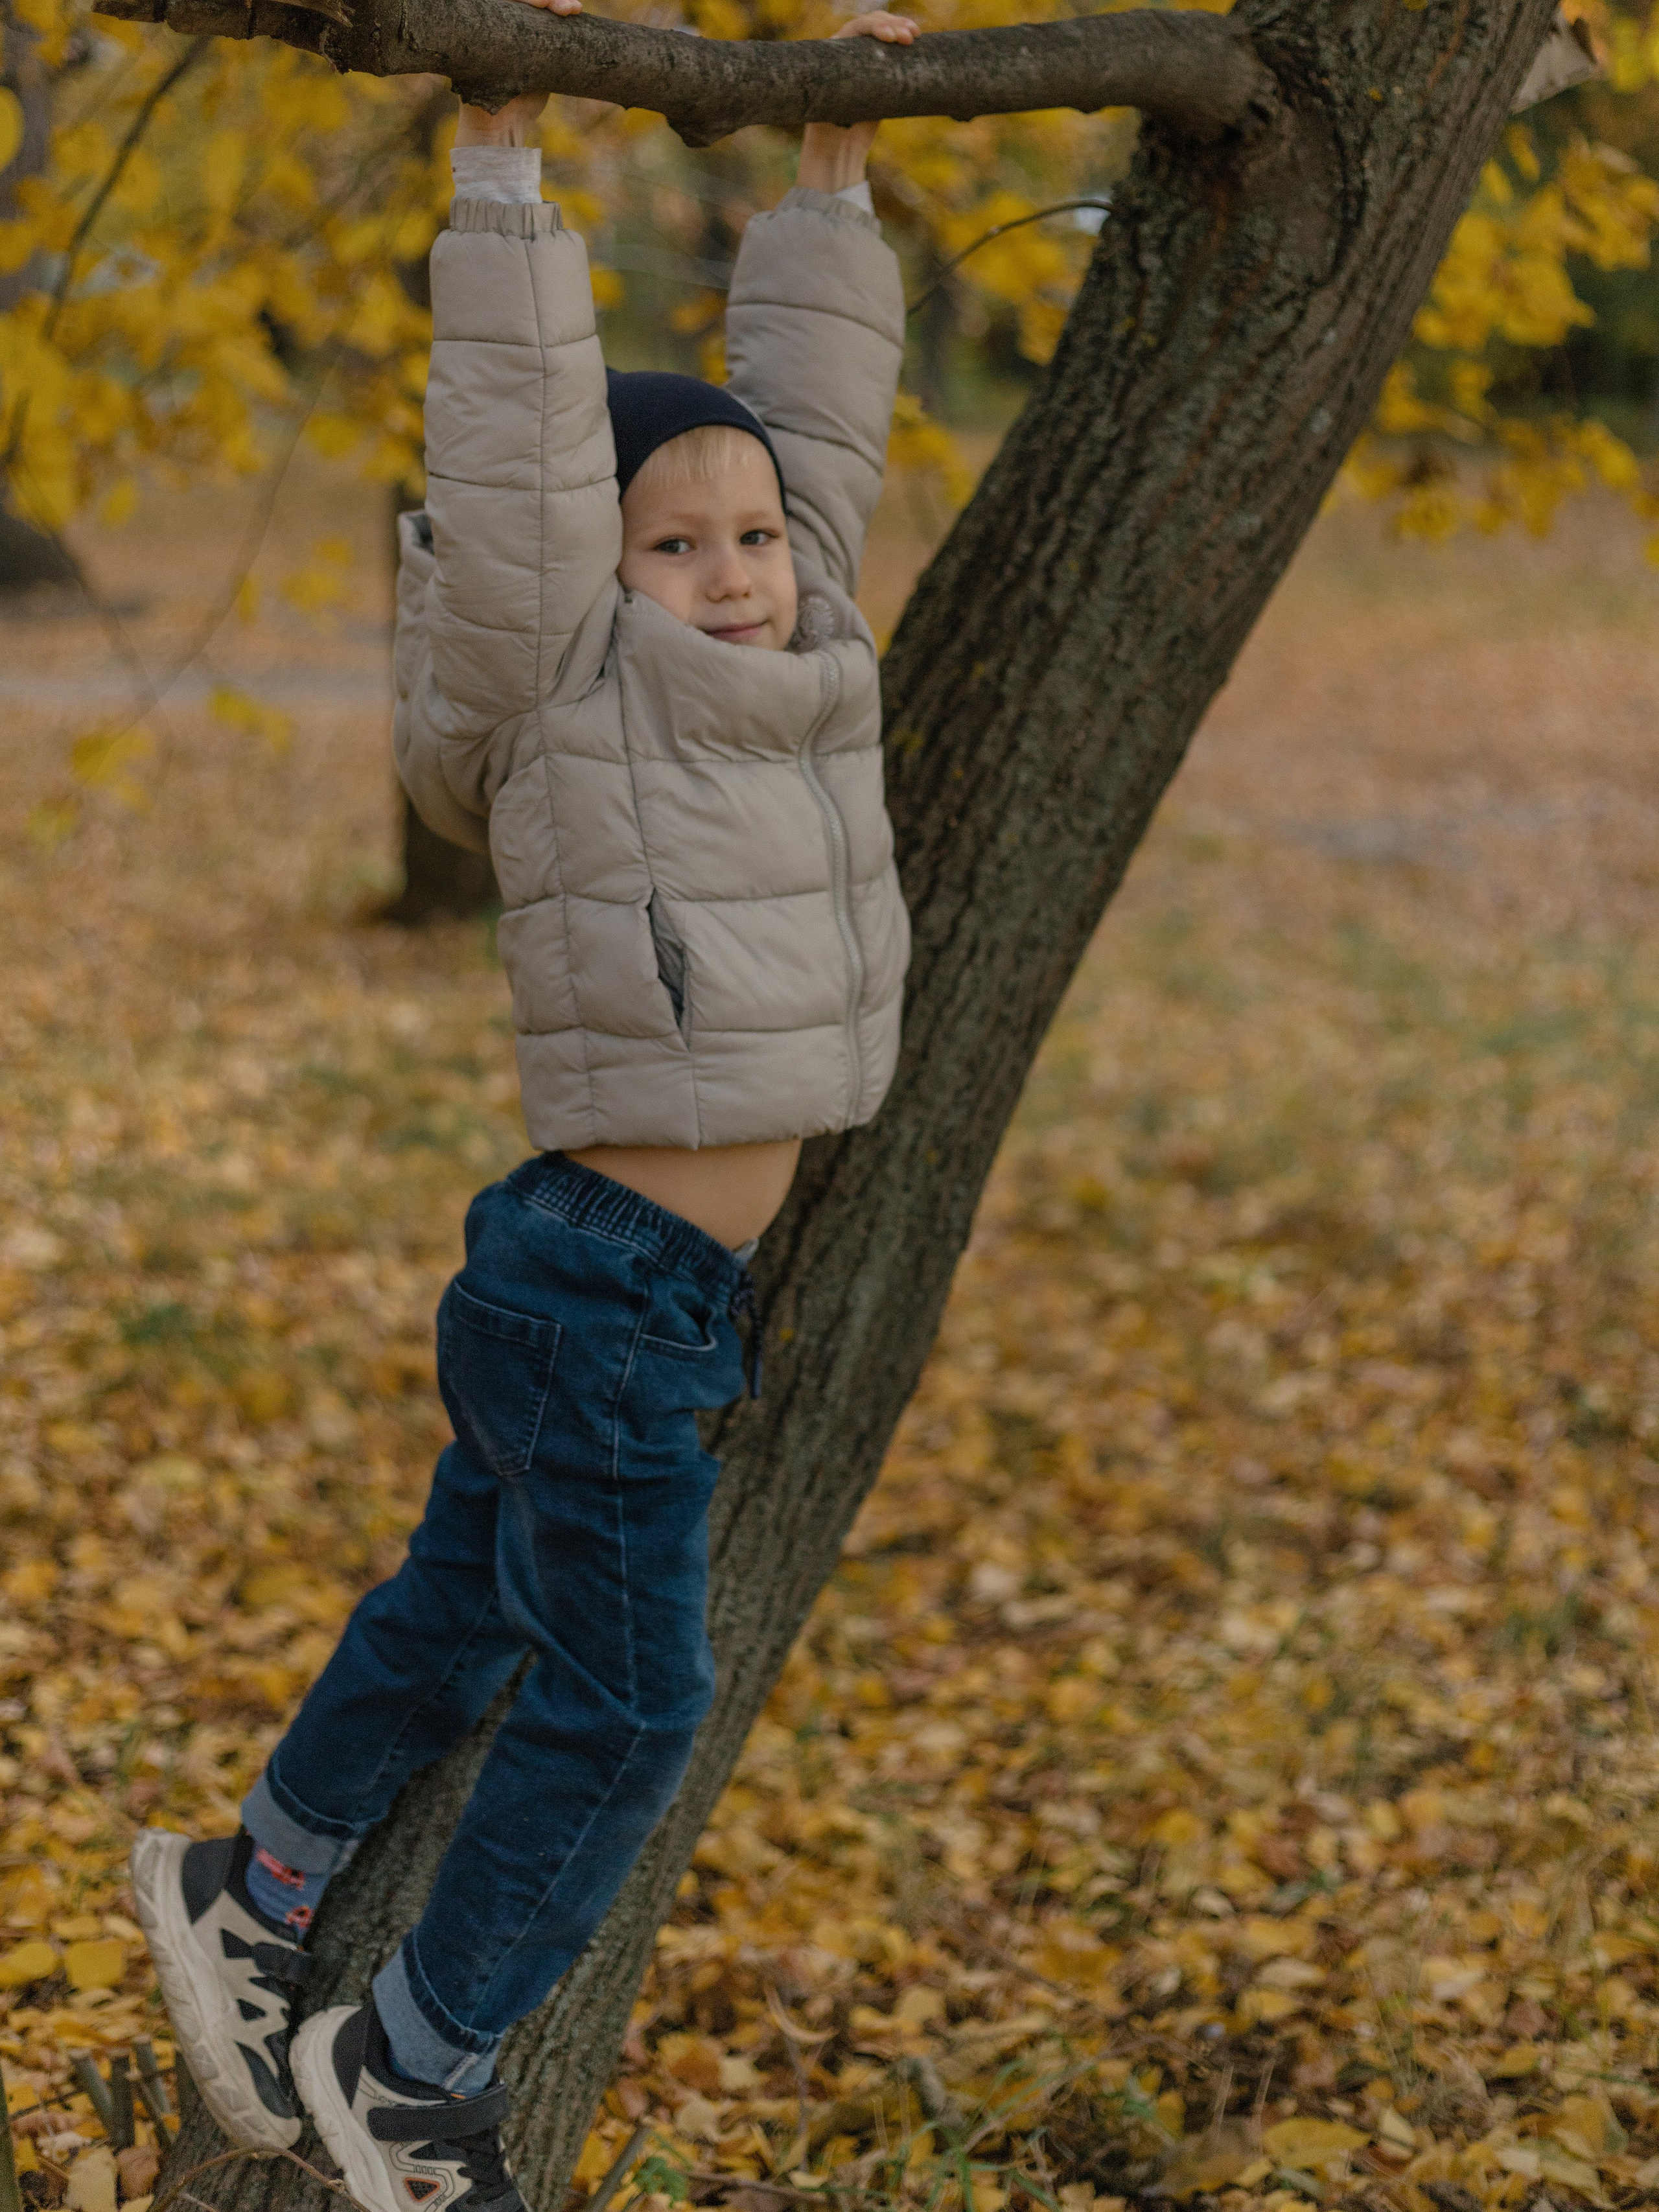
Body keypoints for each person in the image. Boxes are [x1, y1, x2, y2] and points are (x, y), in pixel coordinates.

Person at [129, 12, 916, 2211]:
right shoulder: (571, 679)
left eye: (756, 534)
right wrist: (501, 178)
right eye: (683, 544)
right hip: (601, 1287)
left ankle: (253, 1888)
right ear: (602, 575)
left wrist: (835, 186)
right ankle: (418, 2065)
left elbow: (820, 433)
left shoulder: (799, 664)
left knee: (468, 1612)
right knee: (628, 1702)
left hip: (620, 1289)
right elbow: (514, 467)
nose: (743, 565)